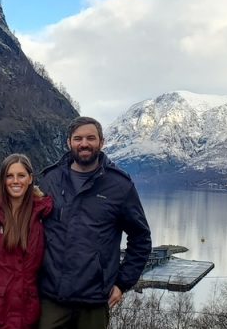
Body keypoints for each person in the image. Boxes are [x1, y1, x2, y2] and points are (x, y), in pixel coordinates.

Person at [37, 117, 152, 329]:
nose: (84, 143)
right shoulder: (49, 180)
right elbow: (21, 212)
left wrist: (122, 283)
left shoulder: (119, 185)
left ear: (101, 142)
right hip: (51, 296)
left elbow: (141, 238)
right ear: (68, 142)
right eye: (78, 138)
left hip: (95, 299)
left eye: (91, 138)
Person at [0, 154, 54, 329]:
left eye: (21, 176)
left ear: (30, 179)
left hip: (26, 315)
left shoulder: (41, 215)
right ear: (2, 179)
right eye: (9, 176)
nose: (15, 181)